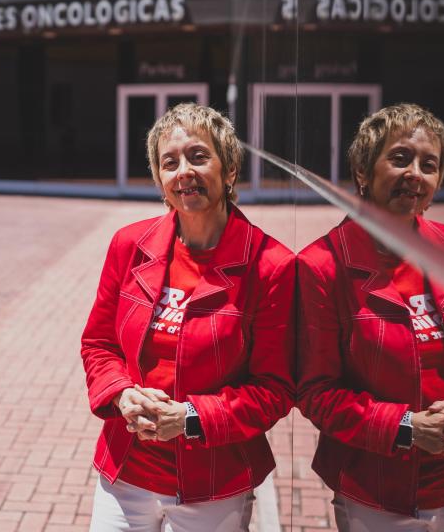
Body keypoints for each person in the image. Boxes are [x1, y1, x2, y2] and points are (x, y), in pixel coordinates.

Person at [297, 103, 444, 531]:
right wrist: (404, 427)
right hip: (375, 490)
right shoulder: (321, 266)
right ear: (363, 171)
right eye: (400, 158)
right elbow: (315, 392)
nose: (415, 173)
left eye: (429, 165)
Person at [80, 103, 296, 532]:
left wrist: (192, 418)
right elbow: (98, 344)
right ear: (160, 180)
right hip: (125, 474)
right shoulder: (129, 245)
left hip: (214, 484)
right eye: (170, 162)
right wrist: (122, 395)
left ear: (230, 169)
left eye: (199, 156)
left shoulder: (272, 265)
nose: (184, 172)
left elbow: (276, 388)